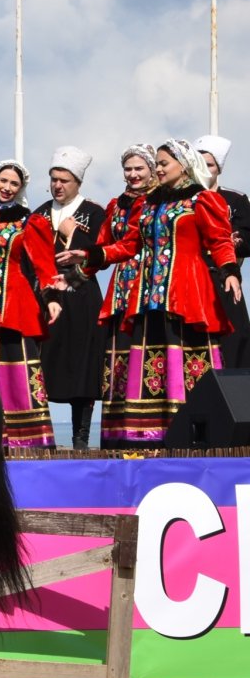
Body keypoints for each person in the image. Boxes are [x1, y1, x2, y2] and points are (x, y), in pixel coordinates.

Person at [61, 140, 241, 446]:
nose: (157, 169)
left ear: (183, 165)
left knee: (185, 359)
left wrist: (231, 272)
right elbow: (128, 246)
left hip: (186, 290)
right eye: (156, 163)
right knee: (149, 362)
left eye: (163, 163)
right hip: (147, 296)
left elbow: (220, 240)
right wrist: (91, 256)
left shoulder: (201, 200)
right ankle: (147, 434)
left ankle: (190, 430)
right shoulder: (148, 205)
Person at [23, 147, 107, 450]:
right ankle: (41, 435)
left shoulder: (95, 212)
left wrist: (74, 236)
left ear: (78, 182)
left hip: (81, 294)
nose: (58, 186)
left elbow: (100, 254)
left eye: (65, 180)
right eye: (54, 179)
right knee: (40, 365)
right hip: (45, 296)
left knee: (83, 367)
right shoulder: (39, 213)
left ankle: (81, 437)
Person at [87, 144, 157, 448]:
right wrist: (78, 269)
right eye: (128, 169)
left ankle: (149, 431)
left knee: (144, 353)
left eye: (139, 168)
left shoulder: (157, 203)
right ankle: (119, 433)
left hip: (150, 285)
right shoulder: (116, 204)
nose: (133, 174)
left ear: (152, 170)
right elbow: (102, 244)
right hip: (121, 288)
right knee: (119, 358)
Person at [0, 160, 57, 448]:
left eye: (14, 184)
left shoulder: (28, 220)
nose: (7, 187)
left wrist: (52, 297)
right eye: (3, 181)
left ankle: (26, 439)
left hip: (14, 301)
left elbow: (44, 262)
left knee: (17, 365)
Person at [195, 135, 250, 369]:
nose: (205, 170)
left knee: (234, 342)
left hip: (224, 280)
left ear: (218, 168)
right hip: (191, 281)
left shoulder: (235, 200)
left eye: (210, 165)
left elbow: (247, 238)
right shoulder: (181, 201)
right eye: (199, 164)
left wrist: (232, 242)